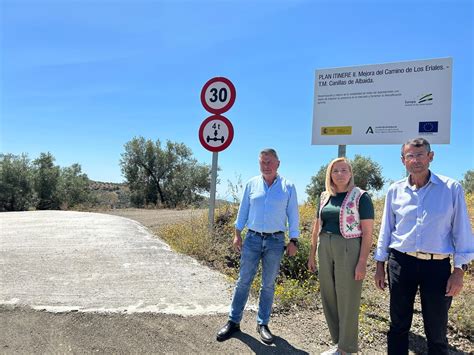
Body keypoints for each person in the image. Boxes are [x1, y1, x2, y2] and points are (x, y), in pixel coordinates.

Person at [374, 137, 473, 355]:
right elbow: (386, 229)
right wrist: (380, 264)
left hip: (436, 267)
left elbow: (462, 232)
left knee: (436, 330)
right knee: (398, 325)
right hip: (401, 262)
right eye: (410, 155)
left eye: (420, 155)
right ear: (403, 160)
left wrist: (459, 271)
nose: (415, 160)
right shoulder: (394, 190)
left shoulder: (450, 188)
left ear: (431, 157)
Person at [216, 148, 299, 344]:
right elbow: (243, 210)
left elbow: (293, 215)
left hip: (275, 241)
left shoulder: (288, 187)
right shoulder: (251, 184)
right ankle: (233, 322)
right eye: (263, 162)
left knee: (268, 285)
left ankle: (263, 324)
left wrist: (294, 240)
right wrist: (237, 234)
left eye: (270, 162)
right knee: (243, 281)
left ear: (278, 163)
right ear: (259, 164)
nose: (266, 166)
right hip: (252, 239)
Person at [308, 157, 374, 355]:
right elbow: (316, 225)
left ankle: (347, 348)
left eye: (344, 170)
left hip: (348, 247)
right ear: (330, 174)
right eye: (335, 171)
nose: (340, 174)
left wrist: (362, 262)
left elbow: (368, 232)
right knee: (329, 295)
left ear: (351, 173)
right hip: (324, 246)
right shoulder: (324, 196)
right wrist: (312, 253)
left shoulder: (361, 197)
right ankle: (338, 342)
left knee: (348, 297)